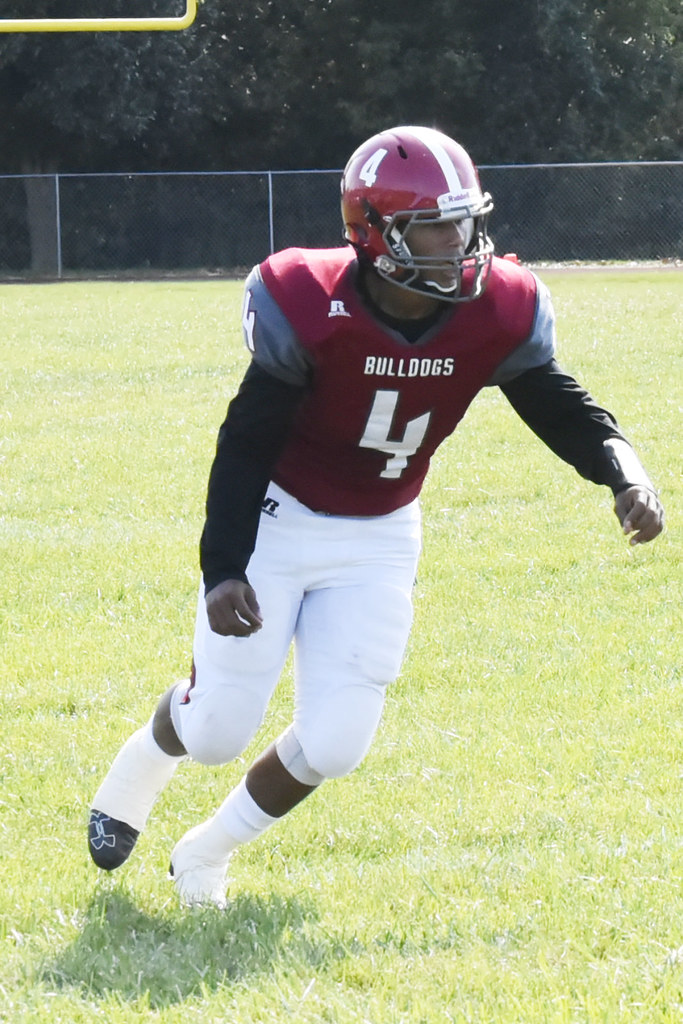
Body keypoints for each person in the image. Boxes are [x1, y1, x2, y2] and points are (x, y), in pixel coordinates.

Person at [88, 125, 664, 907]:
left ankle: (206, 853)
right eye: (435, 226)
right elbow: (246, 442)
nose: (458, 243)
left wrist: (623, 473)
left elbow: (558, 404)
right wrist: (223, 568)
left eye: (463, 222)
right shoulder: (308, 301)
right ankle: (136, 775)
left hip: (380, 531)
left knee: (335, 743)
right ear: (375, 232)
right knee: (217, 730)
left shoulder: (498, 308)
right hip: (279, 519)